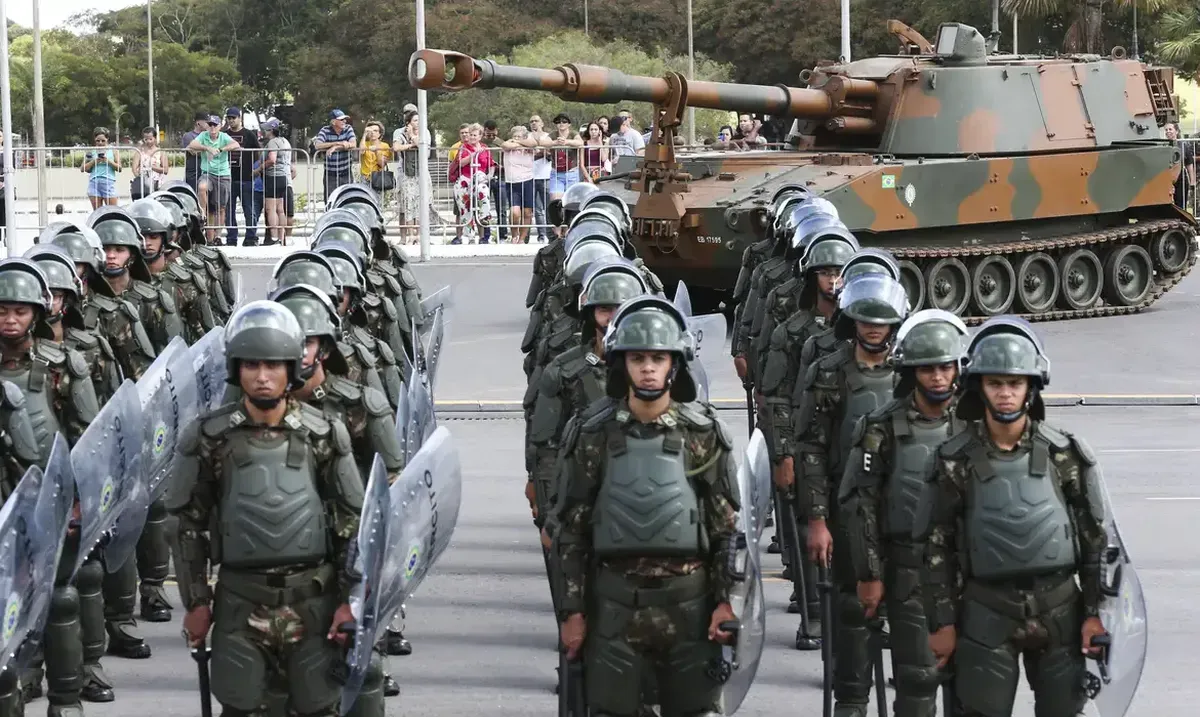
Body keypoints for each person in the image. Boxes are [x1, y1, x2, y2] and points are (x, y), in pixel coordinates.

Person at [167, 301, 364, 717]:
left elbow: (353, 524)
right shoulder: (209, 437)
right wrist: (197, 604)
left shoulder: (324, 434)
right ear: (235, 368)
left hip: (314, 602)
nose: (262, 376)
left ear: (291, 368)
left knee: (319, 708)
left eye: (273, 365)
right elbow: (187, 526)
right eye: (251, 365)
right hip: (240, 603)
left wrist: (351, 600)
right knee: (240, 708)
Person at [913, 317, 1109, 717]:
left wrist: (1095, 615)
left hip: (1060, 610)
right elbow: (936, 545)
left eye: (1015, 384)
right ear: (979, 387)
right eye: (996, 384)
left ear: (1031, 388)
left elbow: (1095, 541)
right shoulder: (954, 460)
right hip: (986, 610)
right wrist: (942, 622)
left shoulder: (1064, 454)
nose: (1005, 394)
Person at [556, 295, 740, 717]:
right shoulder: (592, 433)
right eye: (638, 357)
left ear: (675, 364)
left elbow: (726, 530)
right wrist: (572, 612)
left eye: (658, 357)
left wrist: (726, 602)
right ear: (622, 363)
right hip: (615, 605)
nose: (648, 368)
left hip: (689, 607)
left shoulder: (705, 433)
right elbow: (572, 530)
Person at [838, 309, 969, 717]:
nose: (937, 377)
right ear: (911, 372)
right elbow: (861, 507)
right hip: (908, 570)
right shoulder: (881, 427)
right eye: (927, 368)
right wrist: (870, 574)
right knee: (917, 681)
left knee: (973, 690)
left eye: (945, 367)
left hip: (968, 573)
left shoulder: (974, 426)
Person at [794, 273, 909, 717]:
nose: (874, 329)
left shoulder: (911, 372)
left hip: (901, 510)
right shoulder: (828, 372)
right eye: (865, 320)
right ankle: (852, 700)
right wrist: (818, 520)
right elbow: (812, 449)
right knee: (852, 611)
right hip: (847, 508)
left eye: (882, 321)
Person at [0, 258, 102, 716]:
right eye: (1, 310)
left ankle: (66, 699)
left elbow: (88, 438)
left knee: (61, 598)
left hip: (50, 500)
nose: (9, 319)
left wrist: (80, 502)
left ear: (37, 313)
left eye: (19, 310)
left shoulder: (63, 366)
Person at [526, 259, 649, 607]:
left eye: (620, 309)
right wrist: (551, 516)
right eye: (603, 309)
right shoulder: (564, 371)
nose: (611, 318)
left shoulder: (656, 371)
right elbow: (546, 449)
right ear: (588, 313)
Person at [87, 206, 184, 353]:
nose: (111, 256)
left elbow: (173, 354)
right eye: (105, 249)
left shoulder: (153, 300)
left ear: (132, 255)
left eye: (119, 250)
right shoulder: (85, 301)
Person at [129, 198, 216, 345]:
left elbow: (208, 336)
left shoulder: (187, 283)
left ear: (165, 239)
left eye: (154, 237)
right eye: (142, 237)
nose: (147, 243)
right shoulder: (124, 284)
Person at [187, 116, 241, 243]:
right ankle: (203, 214)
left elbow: (236, 144)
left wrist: (221, 149)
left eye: (215, 125)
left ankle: (217, 236)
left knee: (220, 208)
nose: (212, 127)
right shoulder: (204, 136)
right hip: (207, 173)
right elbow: (192, 144)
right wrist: (207, 148)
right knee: (202, 188)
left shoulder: (223, 136)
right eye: (210, 125)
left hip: (223, 174)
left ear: (220, 126)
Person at [257, 119, 293, 246]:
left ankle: (273, 237)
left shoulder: (272, 142)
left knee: (270, 208)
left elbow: (272, 159)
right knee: (280, 209)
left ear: (271, 130)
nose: (264, 132)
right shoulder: (284, 141)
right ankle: (282, 237)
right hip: (283, 177)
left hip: (273, 177)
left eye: (266, 129)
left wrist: (259, 169)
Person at [82, 128, 120, 209]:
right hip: (94, 183)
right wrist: (94, 162)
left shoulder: (113, 151)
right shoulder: (91, 151)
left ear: (107, 139)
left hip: (108, 182)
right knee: (97, 212)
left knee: (112, 211)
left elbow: (119, 168)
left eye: (103, 141)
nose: (100, 143)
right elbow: (82, 168)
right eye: (98, 141)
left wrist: (108, 161)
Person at [131, 127, 167, 201]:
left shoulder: (160, 152)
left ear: (155, 138)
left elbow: (165, 170)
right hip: (143, 184)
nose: (148, 141)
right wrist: (139, 179)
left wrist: (152, 167)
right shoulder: (139, 151)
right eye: (146, 139)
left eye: (150, 139)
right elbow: (134, 168)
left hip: (157, 183)